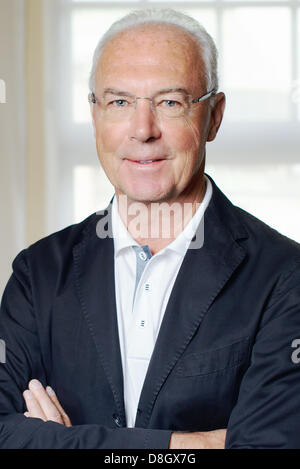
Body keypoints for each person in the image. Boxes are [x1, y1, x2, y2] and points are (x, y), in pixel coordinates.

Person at [0, 8, 300, 449]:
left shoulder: (285, 277)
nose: (142, 130)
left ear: (213, 116)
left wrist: (65, 443)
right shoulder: (38, 273)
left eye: (169, 103)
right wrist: (188, 445)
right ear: (95, 113)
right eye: (120, 102)